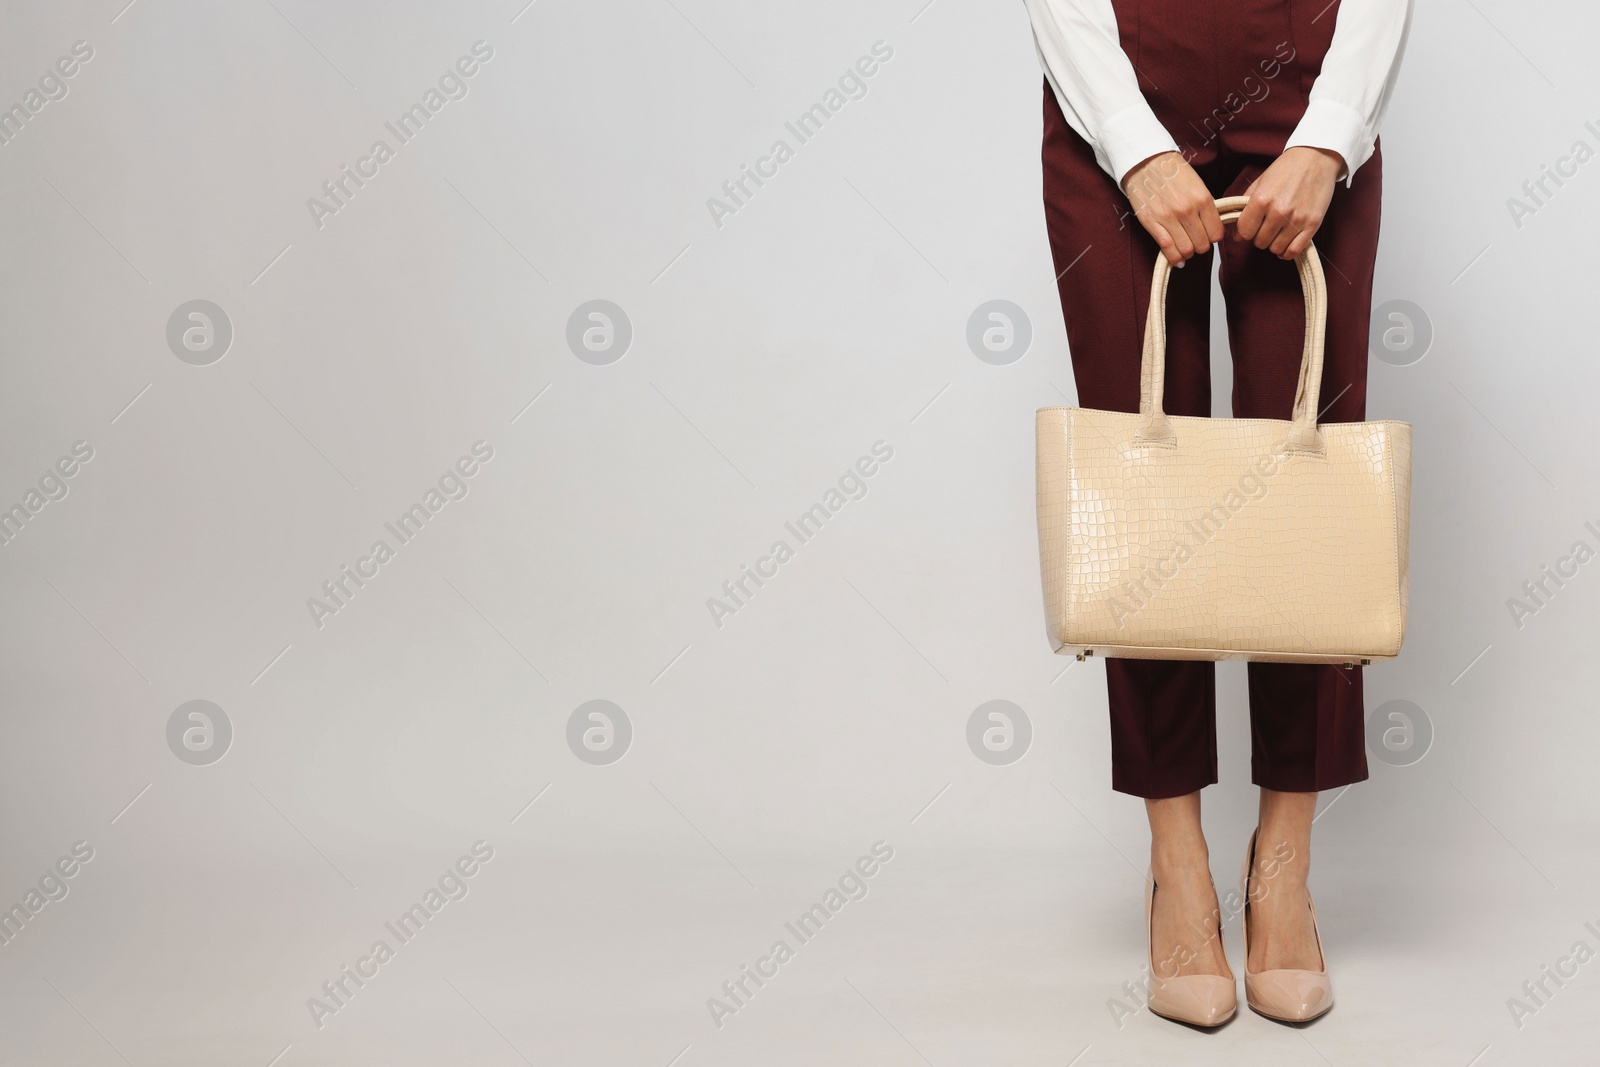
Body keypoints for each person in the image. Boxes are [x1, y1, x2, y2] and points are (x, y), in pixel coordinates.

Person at [1023, 0, 1412, 1027]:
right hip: (1121, 85)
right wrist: (1131, 142)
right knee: (1141, 492)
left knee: (1309, 483)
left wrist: (1330, 135)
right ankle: (1176, 863)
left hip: (1305, 90)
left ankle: (1282, 865)